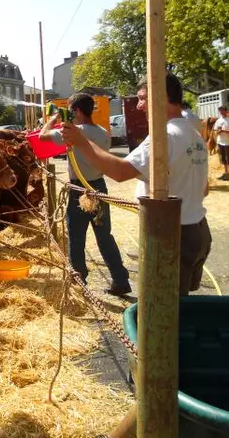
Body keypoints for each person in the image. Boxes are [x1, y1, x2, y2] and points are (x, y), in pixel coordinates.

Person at [60, 74, 211, 296]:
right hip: (197, 231)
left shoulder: (165, 137)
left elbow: (120, 172)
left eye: (142, 98)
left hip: (171, 237)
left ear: (162, 97)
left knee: (162, 314)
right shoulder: (194, 135)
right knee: (179, 308)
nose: (139, 106)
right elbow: (204, 188)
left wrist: (81, 142)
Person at [40, 93, 131, 296]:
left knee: (76, 236)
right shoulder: (103, 132)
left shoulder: (72, 131)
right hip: (99, 187)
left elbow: (42, 136)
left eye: (71, 109)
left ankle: (79, 281)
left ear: (77, 111)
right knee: (104, 236)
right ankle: (120, 279)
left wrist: (54, 119)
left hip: (79, 189)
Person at [212, 105, 229, 181]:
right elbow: (215, 130)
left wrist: (223, 131)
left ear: (226, 111)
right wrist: (217, 132)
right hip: (220, 141)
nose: (221, 112)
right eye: (220, 111)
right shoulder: (218, 120)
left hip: (228, 142)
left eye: (222, 110)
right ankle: (225, 173)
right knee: (223, 159)